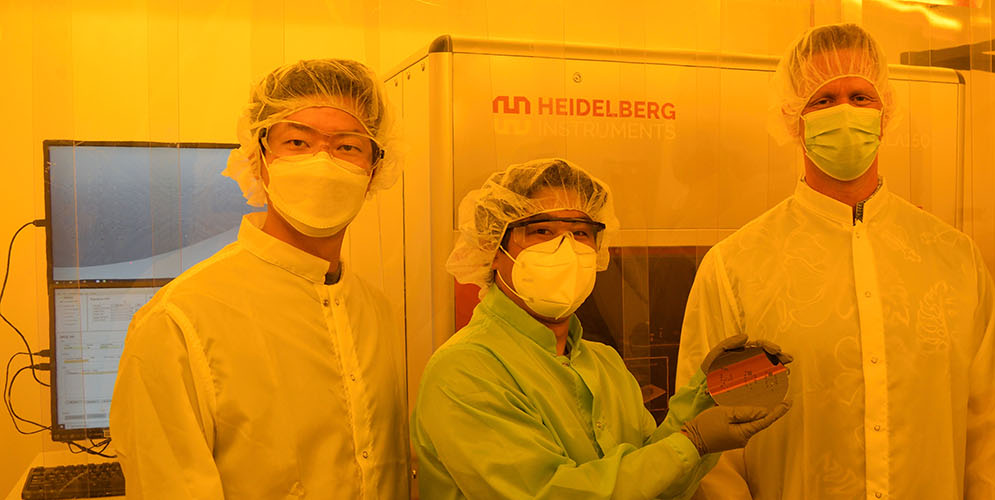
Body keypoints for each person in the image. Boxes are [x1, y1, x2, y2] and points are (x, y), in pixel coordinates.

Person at [675, 24, 995, 499]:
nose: (844, 111)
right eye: (822, 100)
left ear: (886, 113)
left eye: (860, 96)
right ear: (793, 118)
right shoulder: (734, 268)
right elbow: (712, 448)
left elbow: (991, 434)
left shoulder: (953, 258)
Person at [110, 59, 407, 498]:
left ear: (375, 171)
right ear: (259, 158)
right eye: (298, 141)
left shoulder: (377, 312)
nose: (321, 161)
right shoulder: (178, 323)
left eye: (348, 147)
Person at [411, 159, 793, 499]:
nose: (564, 248)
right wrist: (692, 442)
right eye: (542, 231)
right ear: (493, 248)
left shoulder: (604, 364)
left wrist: (707, 396)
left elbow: (655, 482)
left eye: (580, 233)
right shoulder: (464, 371)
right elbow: (548, 492)